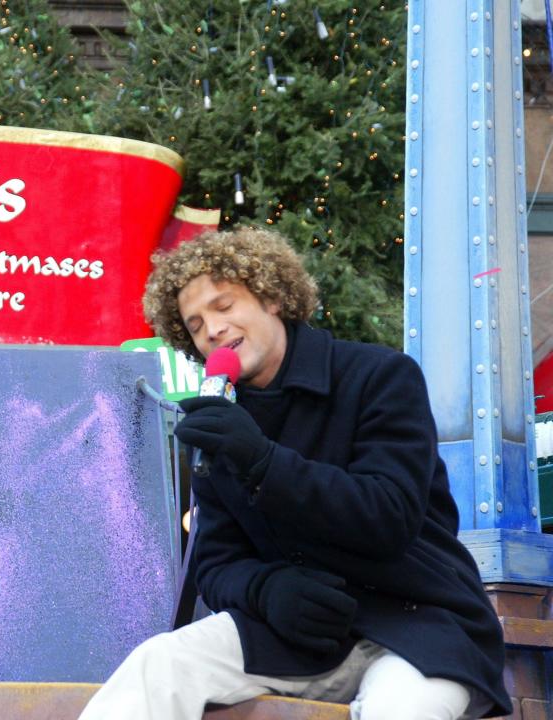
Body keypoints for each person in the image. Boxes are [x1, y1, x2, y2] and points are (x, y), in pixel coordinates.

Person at [78, 228, 511, 720]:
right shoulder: (220, 420)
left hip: (418, 629)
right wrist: (268, 590)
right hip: (294, 640)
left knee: (401, 710)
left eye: (225, 306)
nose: (212, 329)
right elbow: (216, 563)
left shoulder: (380, 376)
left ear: (273, 298)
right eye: (195, 323)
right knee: (156, 666)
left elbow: (388, 516)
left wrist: (263, 462)